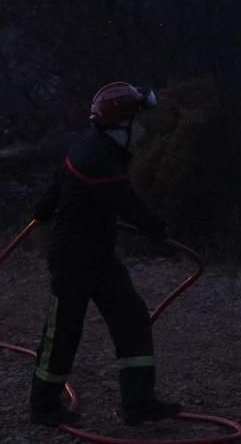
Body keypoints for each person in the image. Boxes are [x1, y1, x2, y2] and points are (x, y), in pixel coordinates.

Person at [28, 82, 182, 427]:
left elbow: (59, 182)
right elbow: (124, 201)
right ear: (121, 124)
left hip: (98, 254)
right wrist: (155, 227)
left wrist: (45, 207)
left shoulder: (95, 147)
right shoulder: (98, 157)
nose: (141, 129)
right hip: (72, 258)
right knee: (65, 329)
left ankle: (138, 403)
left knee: (132, 317)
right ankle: (43, 406)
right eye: (137, 120)